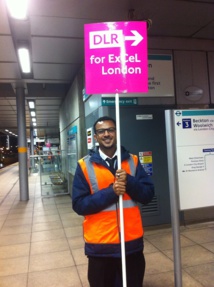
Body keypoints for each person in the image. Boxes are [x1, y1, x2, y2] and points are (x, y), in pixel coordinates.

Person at [72, 116, 154, 287]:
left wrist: (129, 181)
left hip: (131, 244)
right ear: (95, 137)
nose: (107, 134)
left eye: (111, 130)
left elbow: (147, 195)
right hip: (101, 246)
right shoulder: (84, 166)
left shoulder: (133, 161)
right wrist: (111, 192)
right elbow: (79, 205)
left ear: (117, 133)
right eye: (101, 131)